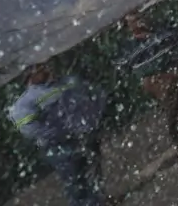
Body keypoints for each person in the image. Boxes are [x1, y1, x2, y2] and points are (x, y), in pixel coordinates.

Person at [7, 62, 107, 206]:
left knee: (92, 172)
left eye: (45, 67)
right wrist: (59, 133)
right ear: (30, 76)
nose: (47, 69)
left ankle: (99, 202)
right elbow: (29, 129)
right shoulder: (25, 102)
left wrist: (94, 119)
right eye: (40, 69)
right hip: (59, 146)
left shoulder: (67, 82)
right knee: (75, 181)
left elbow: (92, 94)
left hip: (82, 136)